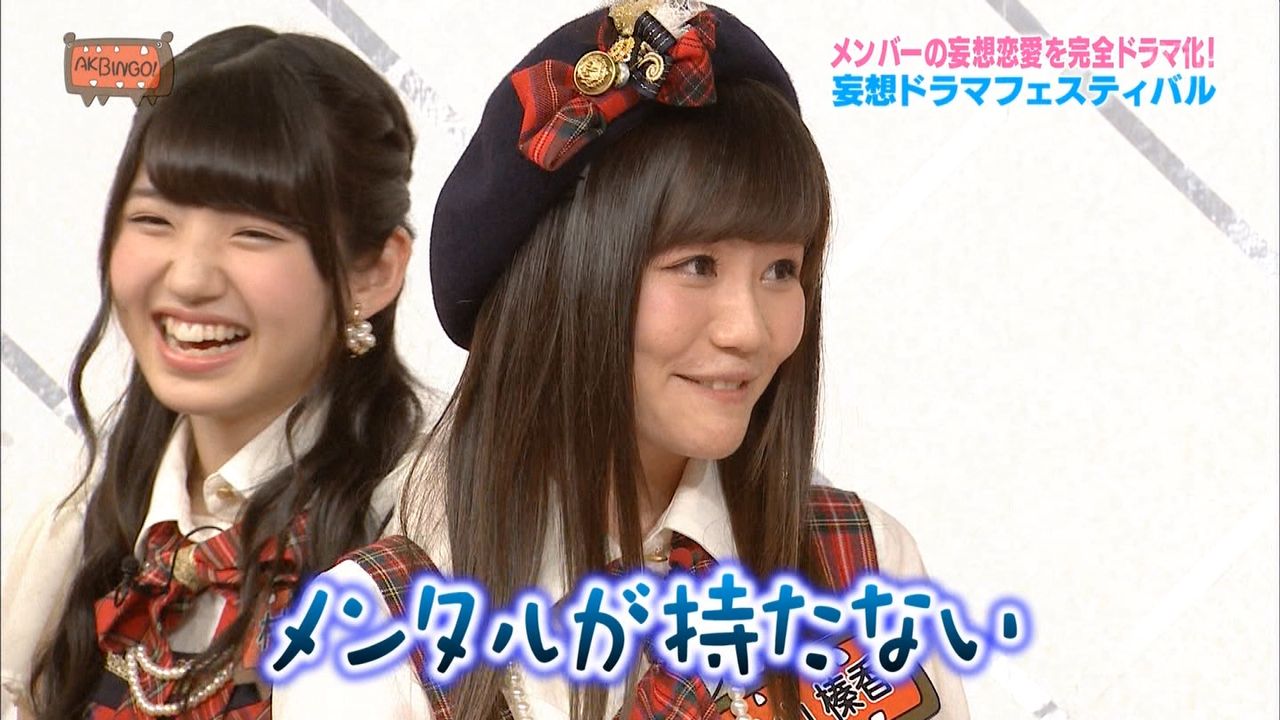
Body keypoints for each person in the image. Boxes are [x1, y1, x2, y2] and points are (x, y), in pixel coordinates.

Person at [277, 2, 970, 718]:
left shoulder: (861, 566)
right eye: (698, 265)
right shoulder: (373, 640)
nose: (749, 330)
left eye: (781, 271)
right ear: (562, 286)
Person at [0, 25, 427, 719]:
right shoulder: (68, 526)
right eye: (154, 220)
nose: (190, 278)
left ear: (374, 271)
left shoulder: (429, 538)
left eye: (254, 233)